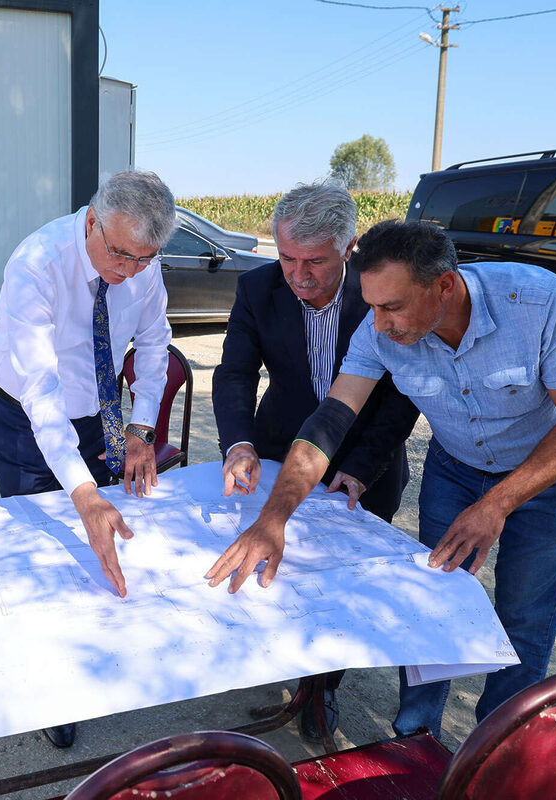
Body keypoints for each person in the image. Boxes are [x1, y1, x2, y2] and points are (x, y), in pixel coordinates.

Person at [206, 219, 556, 740]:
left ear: (444, 284)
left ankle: (498, 752)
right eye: (371, 305)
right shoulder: (378, 328)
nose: (379, 324)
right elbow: (330, 421)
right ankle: (416, 738)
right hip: (456, 470)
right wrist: (273, 518)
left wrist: (497, 504)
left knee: (523, 623)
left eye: (392, 307)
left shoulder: (536, 302)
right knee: (430, 605)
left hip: (549, 476)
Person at [212, 181, 419, 741]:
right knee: (279, 567)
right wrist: (239, 443)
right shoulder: (257, 289)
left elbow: (404, 390)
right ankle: (280, 666)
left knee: (345, 585)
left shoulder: (380, 292)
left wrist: (366, 465)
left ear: (348, 247)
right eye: (287, 258)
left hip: (365, 459)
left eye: (315, 262)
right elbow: (234, 373)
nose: (299, 276)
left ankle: (323, 689)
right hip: (281, 450)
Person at [0, 170, 175, 747]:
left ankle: (96, 656)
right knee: (43, 541)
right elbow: (41, 391)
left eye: (145, 259)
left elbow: (156, 342)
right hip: (22, 411)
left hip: (97, 408)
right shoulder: (36, 263)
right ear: (91, 222)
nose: (131, 271)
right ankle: (49, 688)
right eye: (121, 256)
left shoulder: (141, 259)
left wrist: (140, 429)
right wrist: (84, 493)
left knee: (100, 536)